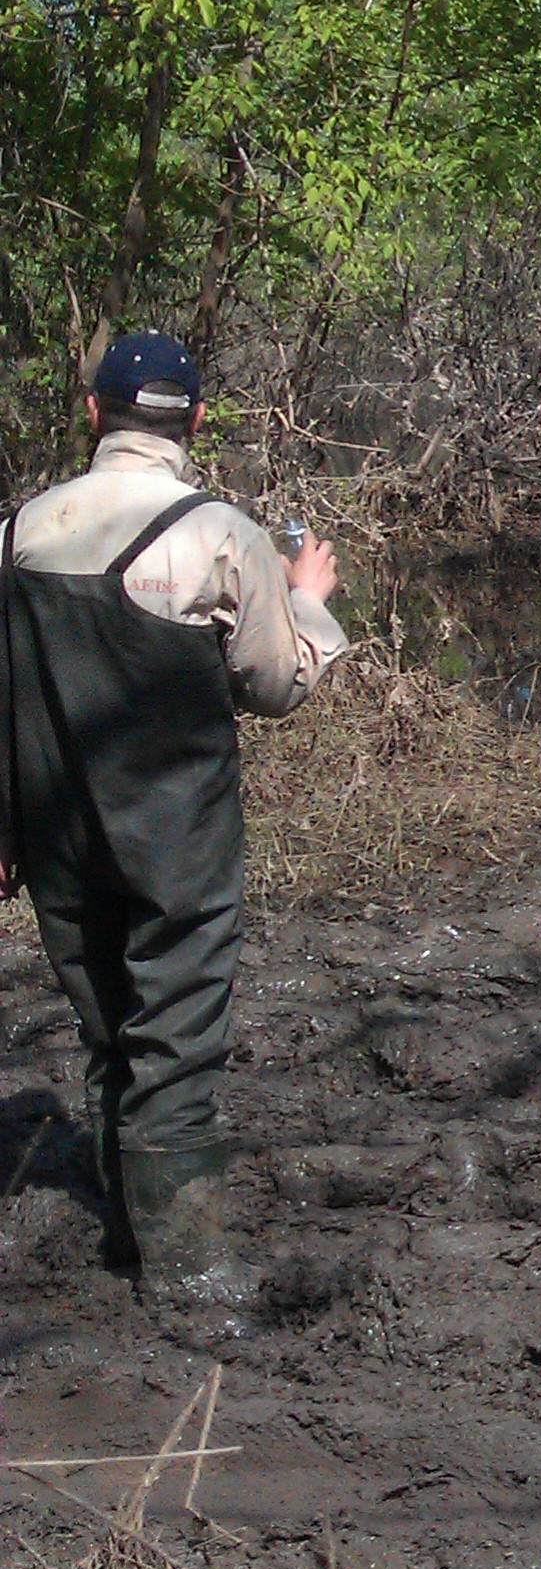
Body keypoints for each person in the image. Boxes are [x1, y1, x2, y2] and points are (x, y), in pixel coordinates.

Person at [3, 331, 347, 1338]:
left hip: (54, 829)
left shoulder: (18, 530)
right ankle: (191, 1272)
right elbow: (275, 685)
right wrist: (308, 603)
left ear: (93, 412)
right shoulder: (220, 534)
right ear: (194, 420)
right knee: (176, 1034)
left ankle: (127, 1229)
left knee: (105, 1019)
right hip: (176, 835)